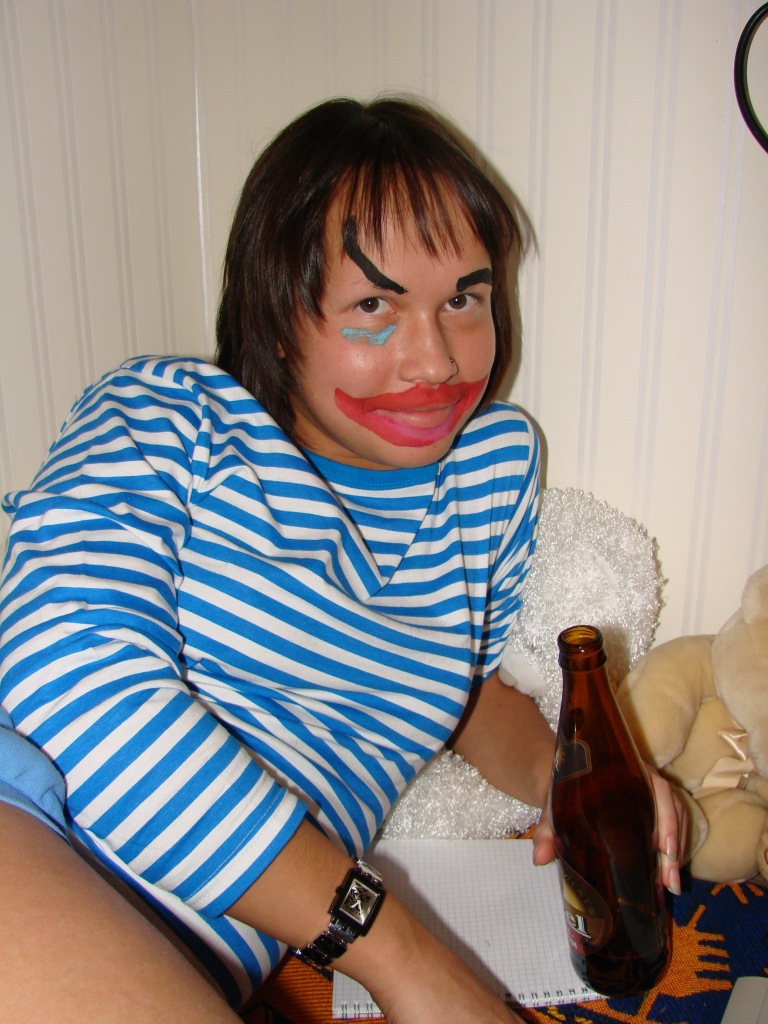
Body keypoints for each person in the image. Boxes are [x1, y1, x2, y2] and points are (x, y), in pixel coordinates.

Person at [0, 96, 683, 1024]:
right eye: (373, 305)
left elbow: (461, 689)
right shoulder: (168, 415)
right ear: (278, 314)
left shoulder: (489, 476)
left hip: (196, 951)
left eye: (463, 299)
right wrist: (404, 958)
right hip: (34, 819)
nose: (435, 361)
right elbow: (66, 673)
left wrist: (571, 782)